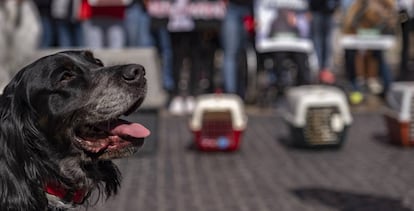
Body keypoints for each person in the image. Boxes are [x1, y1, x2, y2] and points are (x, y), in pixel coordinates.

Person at [341, 0, 398, 104]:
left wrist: (382, 13)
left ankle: (388, 90)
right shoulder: (356, 6)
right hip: (356, 36)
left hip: (376, 37)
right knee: (351, 56)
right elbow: (349, 24)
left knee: (379, 57)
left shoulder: (384, 4)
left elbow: (391, 19)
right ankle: (355, 88)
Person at [220, 0, 252, 98]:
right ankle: (230, 94)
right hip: (231, 8)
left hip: (251, 9)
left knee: (243, 55)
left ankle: (241, 93)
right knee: (231, 54)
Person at [309, 0, 340, 84]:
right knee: (317, 41)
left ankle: (326, 69)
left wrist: (336, 6)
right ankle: (318, 69)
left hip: (329, 11)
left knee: (327, 41)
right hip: (316, 10)